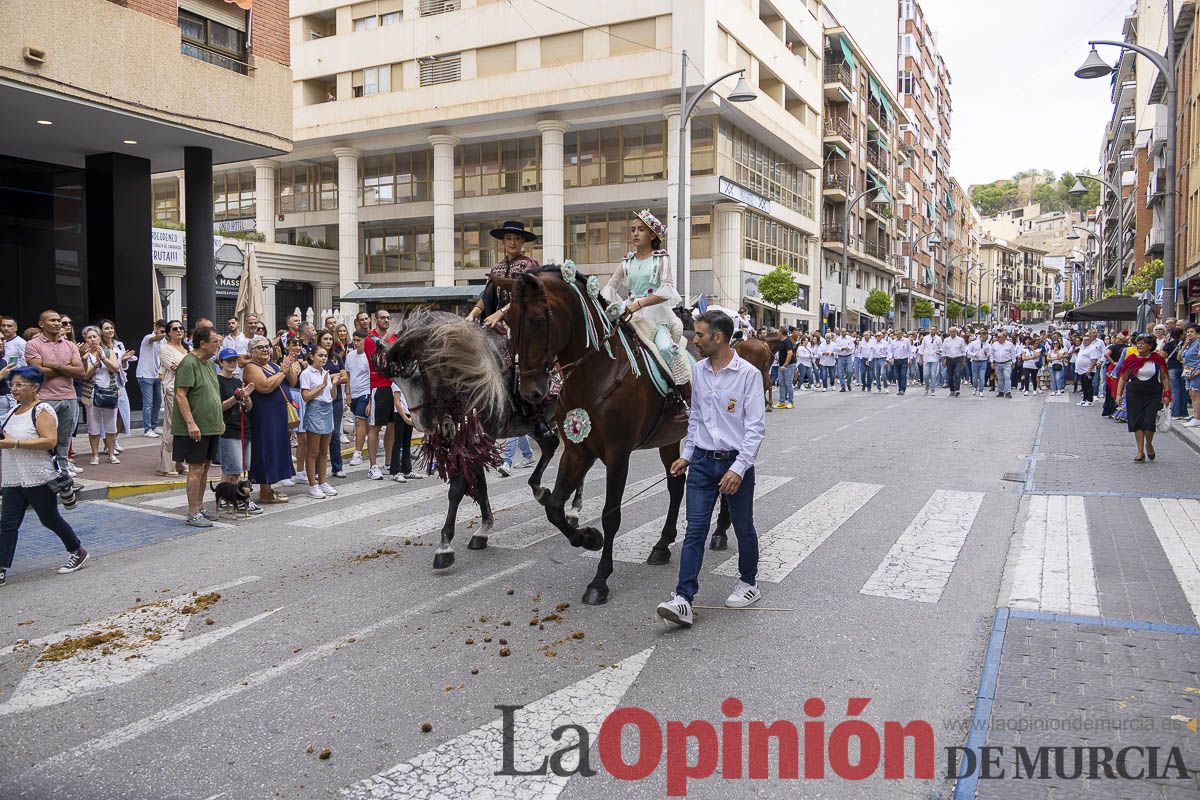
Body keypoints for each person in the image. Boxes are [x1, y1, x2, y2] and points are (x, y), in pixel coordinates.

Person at [656, 311, 765, 628]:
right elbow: (696, 420)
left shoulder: (747, 375)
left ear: (718, 337)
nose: (695, 340)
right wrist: (687, 455)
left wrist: (739, 468)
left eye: (700, 335)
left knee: (743, 527)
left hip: (735, 464)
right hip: (702, 463)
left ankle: (748, 583)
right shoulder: (699, 372)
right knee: (695, 530)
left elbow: (755, 428)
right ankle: (683, 599)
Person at [0, 366, 90, 586]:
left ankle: (77, 551)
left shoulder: (42, 410)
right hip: (13, 476)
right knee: (7, 524)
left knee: (49, 519)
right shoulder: (13, 410)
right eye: (13, 384)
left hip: (38, 476)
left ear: (35, 387)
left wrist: (15, 443)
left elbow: (49, 441)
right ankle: (1, 568)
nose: (15, 389)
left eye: (20, 384)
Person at [601, 210, 691, 415]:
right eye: (633, 229)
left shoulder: (661, 258)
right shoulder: (627, 261)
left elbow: (667, 289)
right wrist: (609, 305)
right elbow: (610, 287)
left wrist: (640, 304)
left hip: (656, 316)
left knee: (667, 348)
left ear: (652, 235)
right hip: (629, 312)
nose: (635, 233)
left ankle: (684, 398)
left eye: (641, 230)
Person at [172, 326, 224, 527]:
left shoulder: (209, 364)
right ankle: (192, 512)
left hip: (210, 425)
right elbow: (180, 395)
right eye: (214, 342)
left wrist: (219, 418)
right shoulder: (189, 363)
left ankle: (200, 506)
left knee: (205, 468)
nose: (218, 345)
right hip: (196, 427)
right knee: (195, 469)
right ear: (202, 343)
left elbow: (212, 393)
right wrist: (191, 423)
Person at [23, 310, 86, 470]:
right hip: (44, 398)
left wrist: (54, 365)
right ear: (41, 324)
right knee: (44, 438)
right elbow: (39, 372)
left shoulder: (70, 345)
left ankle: (63, 471)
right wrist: (67, 368)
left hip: (69, 397)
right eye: (53, 320)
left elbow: (80, 372)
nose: (58, 323)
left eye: (59, 320)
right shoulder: (33, 344)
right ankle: (44, 471)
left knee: (64, 439)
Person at [244, 336, 299, 504]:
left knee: (277, 450)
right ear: (252, 351)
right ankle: (265, 492)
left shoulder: (274, 365)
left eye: (267, 346)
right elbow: (265, 387)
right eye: (260, 347)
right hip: (264, 417)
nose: (265, 349)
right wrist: (282, 371)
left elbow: (293, 381)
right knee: (265, 451)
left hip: (279, 416)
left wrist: (287, 367)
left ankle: (269, 488)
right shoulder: (251, 367)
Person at [214, 348, 260, 514]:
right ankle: (237, 499)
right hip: (229, 429)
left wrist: (246, 397)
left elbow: (249, 407)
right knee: (233, 469)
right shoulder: (216, 381)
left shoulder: (236, 381)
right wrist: (235, 397)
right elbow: (218, 407)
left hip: (243, 427)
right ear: (221, 362)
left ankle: (230, 498)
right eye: (228, 360)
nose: (232, 363)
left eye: (234, 360)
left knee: (242, 466)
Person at [1116, 334, 1171, 463]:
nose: (1140, 345)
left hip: (1153, 393)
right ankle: (1140, 451)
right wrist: (1118, 395)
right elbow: (1123, 378)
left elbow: (1164, 377)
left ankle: (1149, 444)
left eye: (1143, 343)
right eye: (1138, 343)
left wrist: (1167, 394)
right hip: (1135, 393)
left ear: (1150, 346)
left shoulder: (1157, 359)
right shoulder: (1131, 359)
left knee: (1149, 421)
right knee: (1137, 422)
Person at [362, 311, 398, 481]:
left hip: (393, 386)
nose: (386, 320)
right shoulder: (370, 339)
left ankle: (388, 463)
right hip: (378, 386)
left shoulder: (393, 338)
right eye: (383, 317)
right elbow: (376, 362)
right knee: (375, 427)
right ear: (376, 319)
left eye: (388, 318)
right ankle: (372, 466)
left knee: (392, 425)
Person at [299, 345, 337, 499]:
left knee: (323, 451)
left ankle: (323, 482)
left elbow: (332, 396)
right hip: (315, 409)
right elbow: (306, 396)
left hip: (328, 408)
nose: (323, 358)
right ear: (312, 356)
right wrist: (321, 386)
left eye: (325, 356)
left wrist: (333, 385)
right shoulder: (307, 373)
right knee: (313, 450)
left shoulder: (325, 373)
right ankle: (312, 485)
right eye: (320, 355)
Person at [79, 325, 117, 465]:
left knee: (111, 425)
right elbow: (84, 375)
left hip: (110, 392)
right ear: (85, 340)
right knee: (93, 426)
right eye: (89, 337)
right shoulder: (84, 356)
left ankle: (111, 453)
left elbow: (115, 368)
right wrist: (95, 364)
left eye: (95, 336)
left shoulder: (109, 351)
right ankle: (95, 455)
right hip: (92, 393)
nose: (93, 339)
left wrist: (103, 359)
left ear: (100, 338)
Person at [156, 321, 189, 476]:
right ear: (168, 332)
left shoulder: (186, 348)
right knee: (171, 425)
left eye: (181, 328)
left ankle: (181, 462)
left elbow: (185, 367)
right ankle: (166, 465)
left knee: (185, 426)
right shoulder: (164, 348)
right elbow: (174, 368)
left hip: (188, 389)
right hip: (172, 389)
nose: (178, 331)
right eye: (174, 329)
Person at [316, 330, 349, 479]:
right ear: (319, 341)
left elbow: (345, 377)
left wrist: (328, 378)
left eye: (330, 339)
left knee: (334, 433)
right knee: (319, 433)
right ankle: (316, 470)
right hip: (319, 399)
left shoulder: (336, 357)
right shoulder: (314, 356)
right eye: (325, 339)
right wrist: (333, 377)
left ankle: (337, 467)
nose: (328, 341)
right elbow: (314, 378)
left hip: (336, 398)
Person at [136, 320, 166, 437]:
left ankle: (153, 426)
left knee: (158, 402)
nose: (163, 334)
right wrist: (165, 334)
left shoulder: (164, 342)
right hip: (145, 375)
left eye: (165, 331)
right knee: (148, 403)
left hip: (156, 375)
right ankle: (147, 429)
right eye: (162, 331)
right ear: (156, 328)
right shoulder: (148, 337)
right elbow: (155, 339)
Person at [388, 381, 424, 483]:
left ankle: (407, 469)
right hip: (400, 415)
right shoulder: (396, 384)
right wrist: (405, 418)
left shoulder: (407, 383)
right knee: (398, 442)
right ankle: (395, 471)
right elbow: (397, 402)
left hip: (409, 414)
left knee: (407, 442)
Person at [346, 329, 372, 466]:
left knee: (358, 421)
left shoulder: (369, 356)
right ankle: (375, 440)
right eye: (354, 340)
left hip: (365, 392)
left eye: (358, 340)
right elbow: (348, 375)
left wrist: (371, 400)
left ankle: (358, 453)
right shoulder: (350, 355)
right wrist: (348, 393)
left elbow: (372, 378)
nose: (356, 343)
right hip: (354, 393)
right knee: (363, 420)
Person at [1, 315, 28, 420]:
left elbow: (25, 364)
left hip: (12, 383)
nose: (6, 328)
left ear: (15, 328)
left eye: (9, 326)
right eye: (3, 325)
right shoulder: (2, 341)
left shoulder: (21, 343)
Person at [1075, 331, 1105, 407]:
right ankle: (1084, 399)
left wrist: (1090, 369)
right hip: (1081, 371)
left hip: (1088, 370)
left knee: (1088, 385)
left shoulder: (1092, 348)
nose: (1085, 341)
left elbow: (1094, 360)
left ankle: (1090, 400)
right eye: (1084, 340)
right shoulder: (1082, 348)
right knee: (1083, 386)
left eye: (1086, 340)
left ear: (1090, 341)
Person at [1180, 324, 1200, 428]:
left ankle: (1197, 419)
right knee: (1192, 395)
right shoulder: (1188, 344)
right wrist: (1184, 345)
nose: (1189, 334)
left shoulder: (1198, 344)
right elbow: (1179, 357)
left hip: (1196, 372)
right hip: (1187, 372)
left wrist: (1198, 371)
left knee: (1196, 395)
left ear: (1198, 334)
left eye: (1192, 332)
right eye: (1187, 332)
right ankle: (1195, 416)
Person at [989, 331, 1016, 398]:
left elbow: (1013, 354)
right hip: (997, 363)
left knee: (1007, 377)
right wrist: (992, 362)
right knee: (1000, 378)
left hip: (1007, 363)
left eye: (999, 337)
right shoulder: (994, 344)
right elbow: (991, 354)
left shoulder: (1009, 344)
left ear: (1004, 337)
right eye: (997, 337)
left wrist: (1013, 362)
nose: (998, 338)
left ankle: (1008, 392)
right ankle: (1000, 391)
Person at [941, 327, 966, 397]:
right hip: (949, 359)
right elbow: (944, 351)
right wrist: (943, 360)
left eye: (953, 332)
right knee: (950, 376)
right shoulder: (946, 340)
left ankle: (957, 389)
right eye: (950, 332)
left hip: (958, 358)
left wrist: (964, 361)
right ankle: (952, 390)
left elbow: (963, 351)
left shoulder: (960, 340)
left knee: (957, 374)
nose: (952, 333)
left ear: (956, 332)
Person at [774, 330, 796, 408]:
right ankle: (782, 402)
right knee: (782, 384)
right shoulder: (781, 342)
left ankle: (791, 402)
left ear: (782, 333)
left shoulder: (787, 342)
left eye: (778, 332)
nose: (777, 334)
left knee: (788, 383)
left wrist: (785, 364)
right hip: (781, 365)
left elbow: (790, 353)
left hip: (788, 365)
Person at [918, 329, 942, 397]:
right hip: (926, 358)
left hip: (934, 358)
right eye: (931, 329)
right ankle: (927, 386)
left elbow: (941, 348)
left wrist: (938, 352)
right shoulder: (925, 338)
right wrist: (921, 358)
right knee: (926, 375)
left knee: (933, 374)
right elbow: (922, 348)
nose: (932, 331)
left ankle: (932, 389)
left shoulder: (938, 339)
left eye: (934, 330)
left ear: (936, 331)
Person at [966, 331, 990, 397]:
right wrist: (974, 354)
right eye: (985, 337)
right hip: (975, 361)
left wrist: (987, 354)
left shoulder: (987, 345)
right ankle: (975, 387)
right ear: (981, 336)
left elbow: (989, 353)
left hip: (983, 362)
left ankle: (981, 390)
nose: (986, 339)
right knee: (975, 377)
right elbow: (968, 352)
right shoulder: (973, 343)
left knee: (982, 376)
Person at [890, 330, 914, 396]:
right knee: (897, 375)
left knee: (903, 375)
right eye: (896, 334)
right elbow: (890, 351)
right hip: (896, 359)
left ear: (901, 334)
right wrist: (890, 358)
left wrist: (910, 358)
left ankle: (902, 389)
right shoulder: (893, 342)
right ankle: (900, 388)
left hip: (904, 359)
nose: (897, 336)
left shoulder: (906, 341)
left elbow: (909, 350)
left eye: (898, 334)